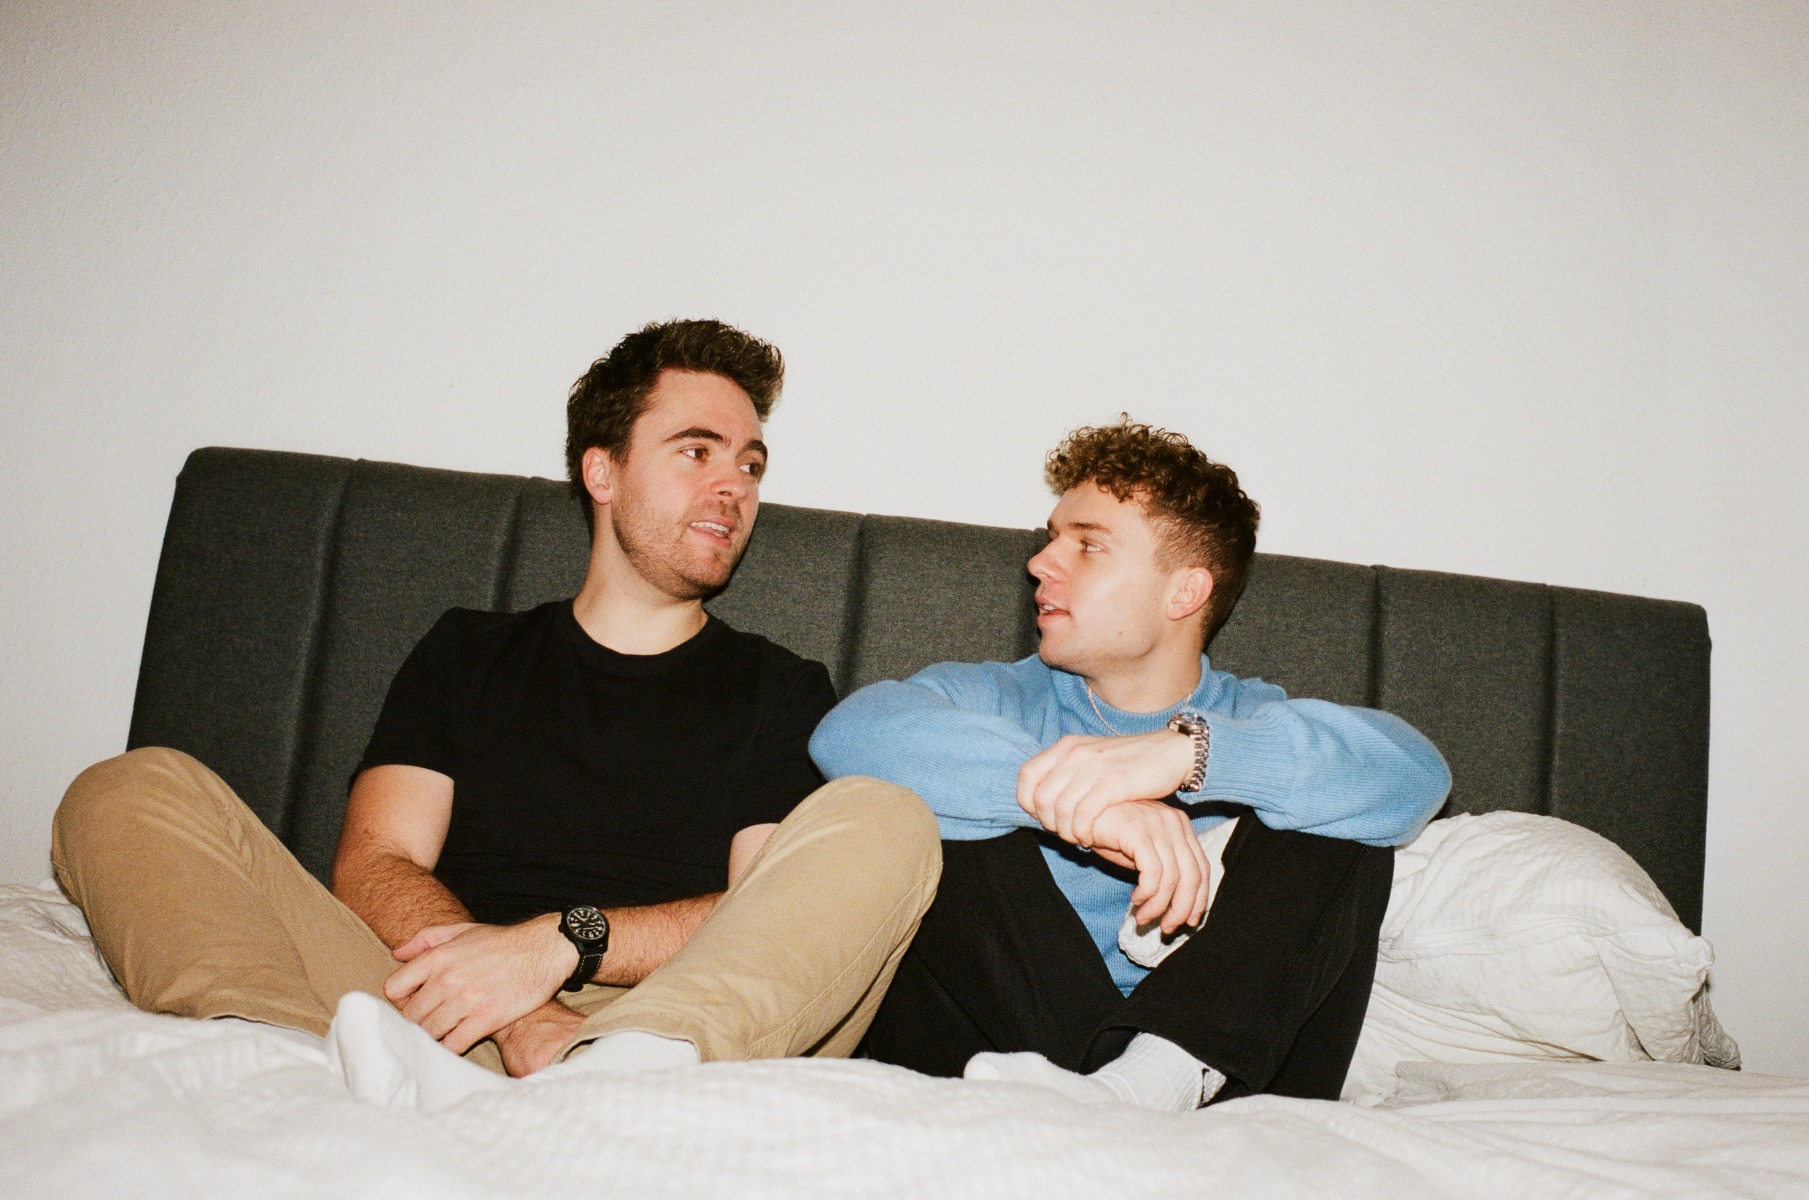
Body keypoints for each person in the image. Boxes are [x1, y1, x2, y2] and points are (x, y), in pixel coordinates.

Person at [51, 318, 941, 1109]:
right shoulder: (469, 653)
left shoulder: (777, 687)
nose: (733, 487)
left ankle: (619, 1073)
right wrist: (515, 1004)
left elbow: (761, 911)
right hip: (425, 997)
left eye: (749, 464)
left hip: (666, 1013)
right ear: (602, 470)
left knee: (885, 817)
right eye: (696, 452)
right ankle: (283, 1062)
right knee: (129, 789)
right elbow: (375, 862)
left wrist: (560, 944)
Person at [809, 418, 1449, 1110]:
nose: (1040, 563)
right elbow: (849, 732)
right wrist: (1092, 805)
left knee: (1335, 801)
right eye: (1051, 538)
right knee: (929, 805)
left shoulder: (1254, 722)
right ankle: (1117, 1101)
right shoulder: (991, 699)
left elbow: (1416, 773)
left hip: (1217, 1088)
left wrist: (1189, 754)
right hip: (1005, 1062)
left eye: (1087, 545)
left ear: (1184, 594)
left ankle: (1152, 1081)